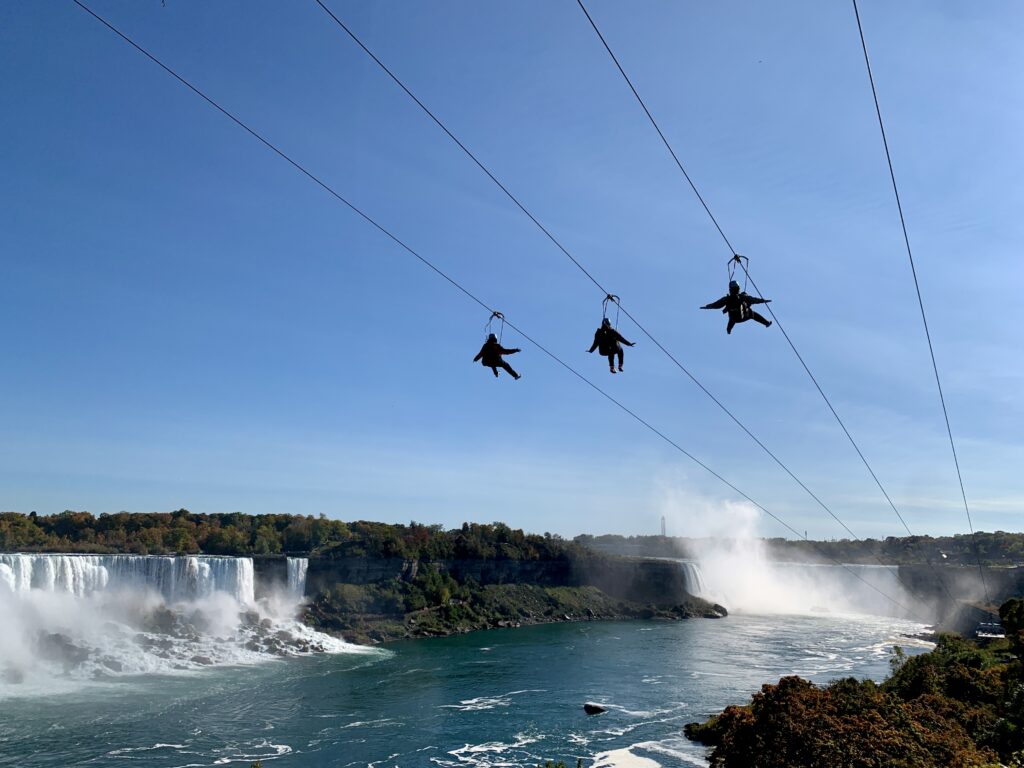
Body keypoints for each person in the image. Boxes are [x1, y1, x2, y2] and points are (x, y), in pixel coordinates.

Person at [701, 280, 773, 334]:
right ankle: (766, 323)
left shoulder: (727, 299)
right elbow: (754, 300)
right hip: (741, 316)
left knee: (733, 320)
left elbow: (716, 305)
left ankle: (728, 330)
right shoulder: (741, 297)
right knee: (751, 313)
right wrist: (763, 301)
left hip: (735, 318)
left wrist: (707, 306)